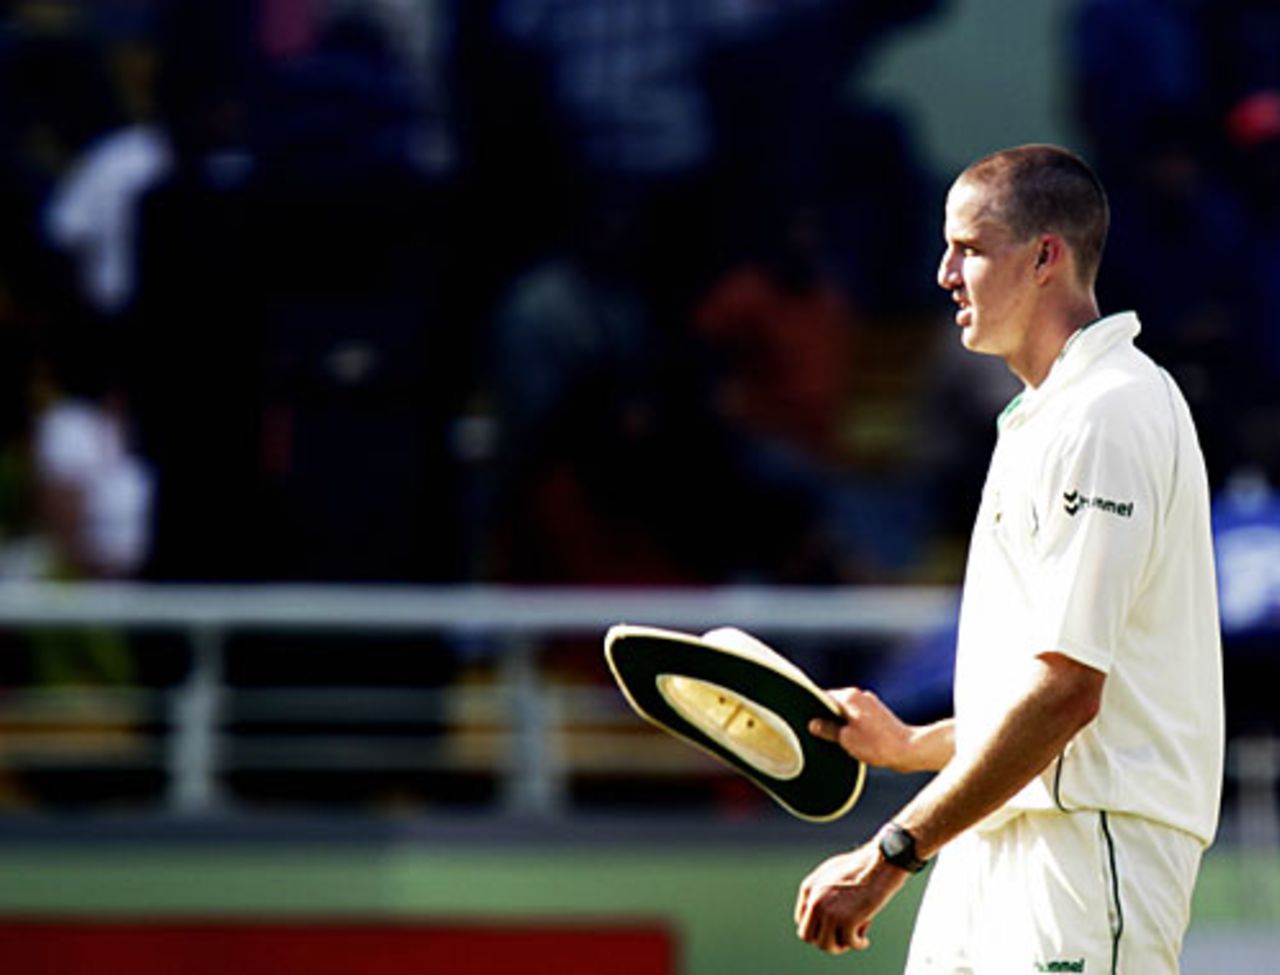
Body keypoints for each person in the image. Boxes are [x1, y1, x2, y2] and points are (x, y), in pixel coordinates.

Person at [794, 144, 1224, 972]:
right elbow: (1050, 691)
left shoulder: (1111, 410)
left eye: (970, 247)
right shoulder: (1049, 414)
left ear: (1044, 257)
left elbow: (1069, 692)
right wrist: (912, 742)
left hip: (1088, 846)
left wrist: (888, 855)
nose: (944, 272)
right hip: (1006, 839)